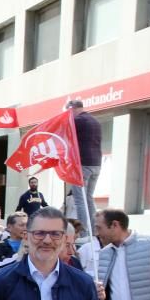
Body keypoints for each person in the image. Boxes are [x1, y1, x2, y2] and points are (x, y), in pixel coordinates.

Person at [67, 100, 102, 236]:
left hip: (83, 164)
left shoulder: (79, 121)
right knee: (89, 198)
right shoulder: (95, 121)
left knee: (79, 200)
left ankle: (83, 233)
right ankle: (94, 231)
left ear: (72, 108)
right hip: (96, 164)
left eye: (68, 111)